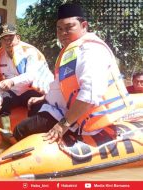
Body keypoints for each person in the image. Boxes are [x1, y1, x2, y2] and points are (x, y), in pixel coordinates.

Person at [13, 3, 133, 144]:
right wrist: (44, 98)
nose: (63, 33)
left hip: (83, 118)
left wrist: (62, 125)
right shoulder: (72, 49)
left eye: (69, 27)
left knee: (20, 130)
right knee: (34, 106)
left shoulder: (90, 50)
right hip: (63, 109)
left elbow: (89, 95)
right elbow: (62, 85)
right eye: (59, 29)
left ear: (84, 26)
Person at [0, 23, 53, 134]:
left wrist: (12, 81)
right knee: (1, 102)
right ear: (0, 42)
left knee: (37, 105)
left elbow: (31, 75)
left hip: (34, 89)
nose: (8, 42)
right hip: (14, 91)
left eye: (11, 38)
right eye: (4, 39)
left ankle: (32, 134)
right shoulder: (0, 55)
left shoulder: (29, 52)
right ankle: (6, 132)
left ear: (18, 38)